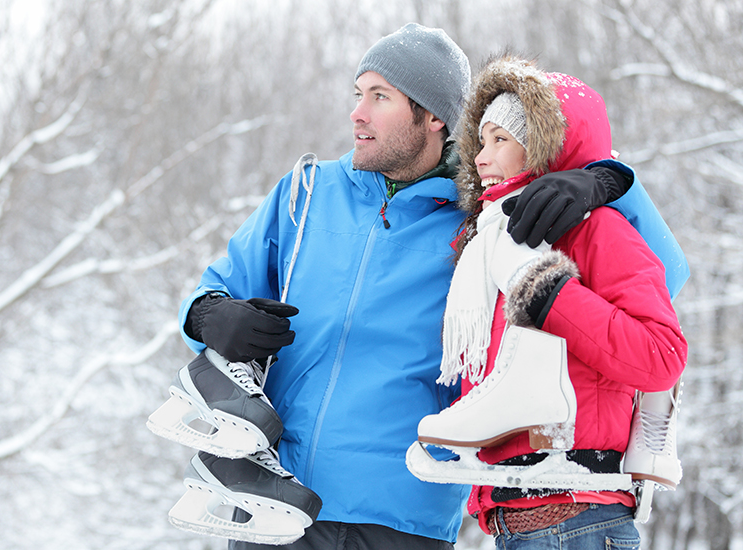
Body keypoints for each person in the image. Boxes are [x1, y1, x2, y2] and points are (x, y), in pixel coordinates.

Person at [165, 25, 689, 549]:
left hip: (404, 516)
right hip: (274, 507)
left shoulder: (484, 218)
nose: (357, 113)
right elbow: (211, 292)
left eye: (380, 97)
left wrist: (608, 183)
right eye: (357, 94)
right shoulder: (306, 194)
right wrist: (210, 316)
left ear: (433, 116)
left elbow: (660, 274)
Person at [416, 54, 688, 548]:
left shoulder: (600, 229)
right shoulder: (488, 247)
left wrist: (550, 294)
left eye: (501, 140)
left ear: (543, 148)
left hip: (580, 519)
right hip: (515, 523)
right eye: (481, 140)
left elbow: (661, 356)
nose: (480, 158)